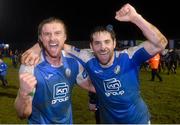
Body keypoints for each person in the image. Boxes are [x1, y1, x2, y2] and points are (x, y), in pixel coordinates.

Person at [21, 3, 168, 124]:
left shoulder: (128, 57)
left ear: (114, 43)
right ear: (91, 46)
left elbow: (160, 43)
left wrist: (136, 18)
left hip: (138, 120)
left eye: (107, 42)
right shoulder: (86, 57)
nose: (102, 47)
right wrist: (38, 46)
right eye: (97, 43)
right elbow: (56, 43)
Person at [14, 17, 95, 124]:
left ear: (64, 36)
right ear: (41, 38)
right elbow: (23, 114)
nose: (52, 38)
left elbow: (91, 86)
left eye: (57, 33)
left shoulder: (73, 63)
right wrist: (23, 94)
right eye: (47, 34)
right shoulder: (30, 66)